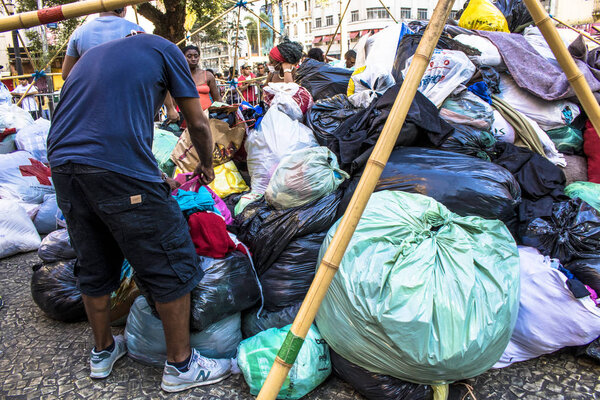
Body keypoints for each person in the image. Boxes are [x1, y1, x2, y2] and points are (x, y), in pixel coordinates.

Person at [47, 32, 231, 393]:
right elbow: (196, 122)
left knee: (94, 257)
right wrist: (207, 167)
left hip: (64, 167)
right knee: (170, 255)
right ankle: (181, 366)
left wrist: (152, 177)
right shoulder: (166, 51)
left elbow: (99, 131)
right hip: (112, 169)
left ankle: (102, 352)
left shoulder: (93, 57)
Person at [61, 7, 144, 79]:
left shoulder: (79, 33)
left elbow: (66, 74)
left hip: (94, 93)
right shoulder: (137, 30)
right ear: (124, 9)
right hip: (129, 93)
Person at [181, 45, 221, 112]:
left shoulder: (208, 75)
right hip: (185, 116)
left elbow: (217, 99)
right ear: (183, 57)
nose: (193, 59)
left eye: (196, 56)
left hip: (207, 116)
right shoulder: (178, 76)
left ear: (199, 57)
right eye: (189, 56)